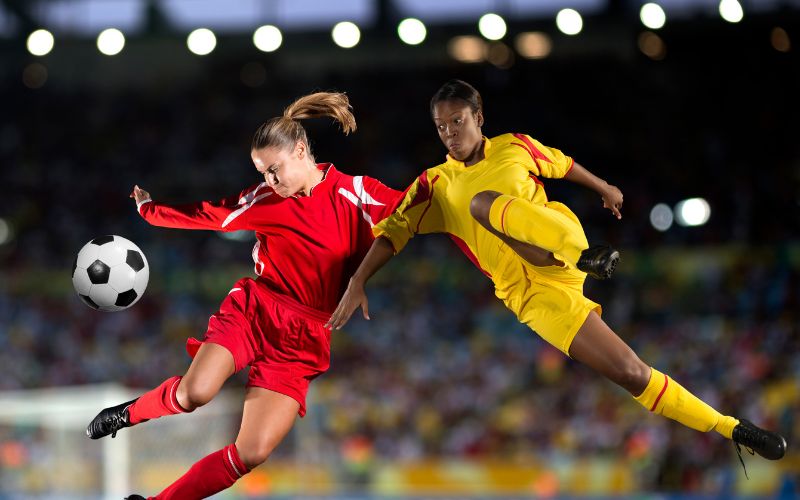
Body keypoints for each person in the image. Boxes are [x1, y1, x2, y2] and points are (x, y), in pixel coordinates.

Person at [326, 79, 787, 467]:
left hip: (562, 241)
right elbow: (392, 232)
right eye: (441, 126)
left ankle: (585, 255)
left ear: (479, 116)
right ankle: (734, 428)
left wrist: (604, 187)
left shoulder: (514, 148)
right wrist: (358, 279)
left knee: (483, 203)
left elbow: (562, 164)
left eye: (458, 121)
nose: (449, 133)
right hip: (534, 298)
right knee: (631, 373)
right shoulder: (434, 185)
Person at [85, 92, 402, 499]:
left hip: (304, 337)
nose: (269, 180)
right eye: (262, 172)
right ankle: (127, 414)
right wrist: (151, 212)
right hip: (257, 310)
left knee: (251, 453)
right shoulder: (265, 199)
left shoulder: (358, 193)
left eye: (274, 169)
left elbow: (415, 209)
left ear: (301, 150)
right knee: (192, 394)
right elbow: (209, 214)